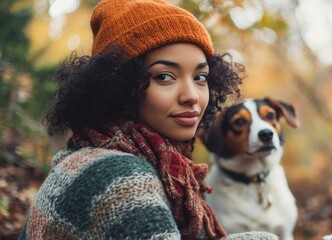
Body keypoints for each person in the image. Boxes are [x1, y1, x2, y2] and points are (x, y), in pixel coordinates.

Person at [19, 0, 278, 239]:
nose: (192, 96)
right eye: (164, 77)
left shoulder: (102, 151)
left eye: (200, 77)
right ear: (118, 86)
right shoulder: (122, 177)